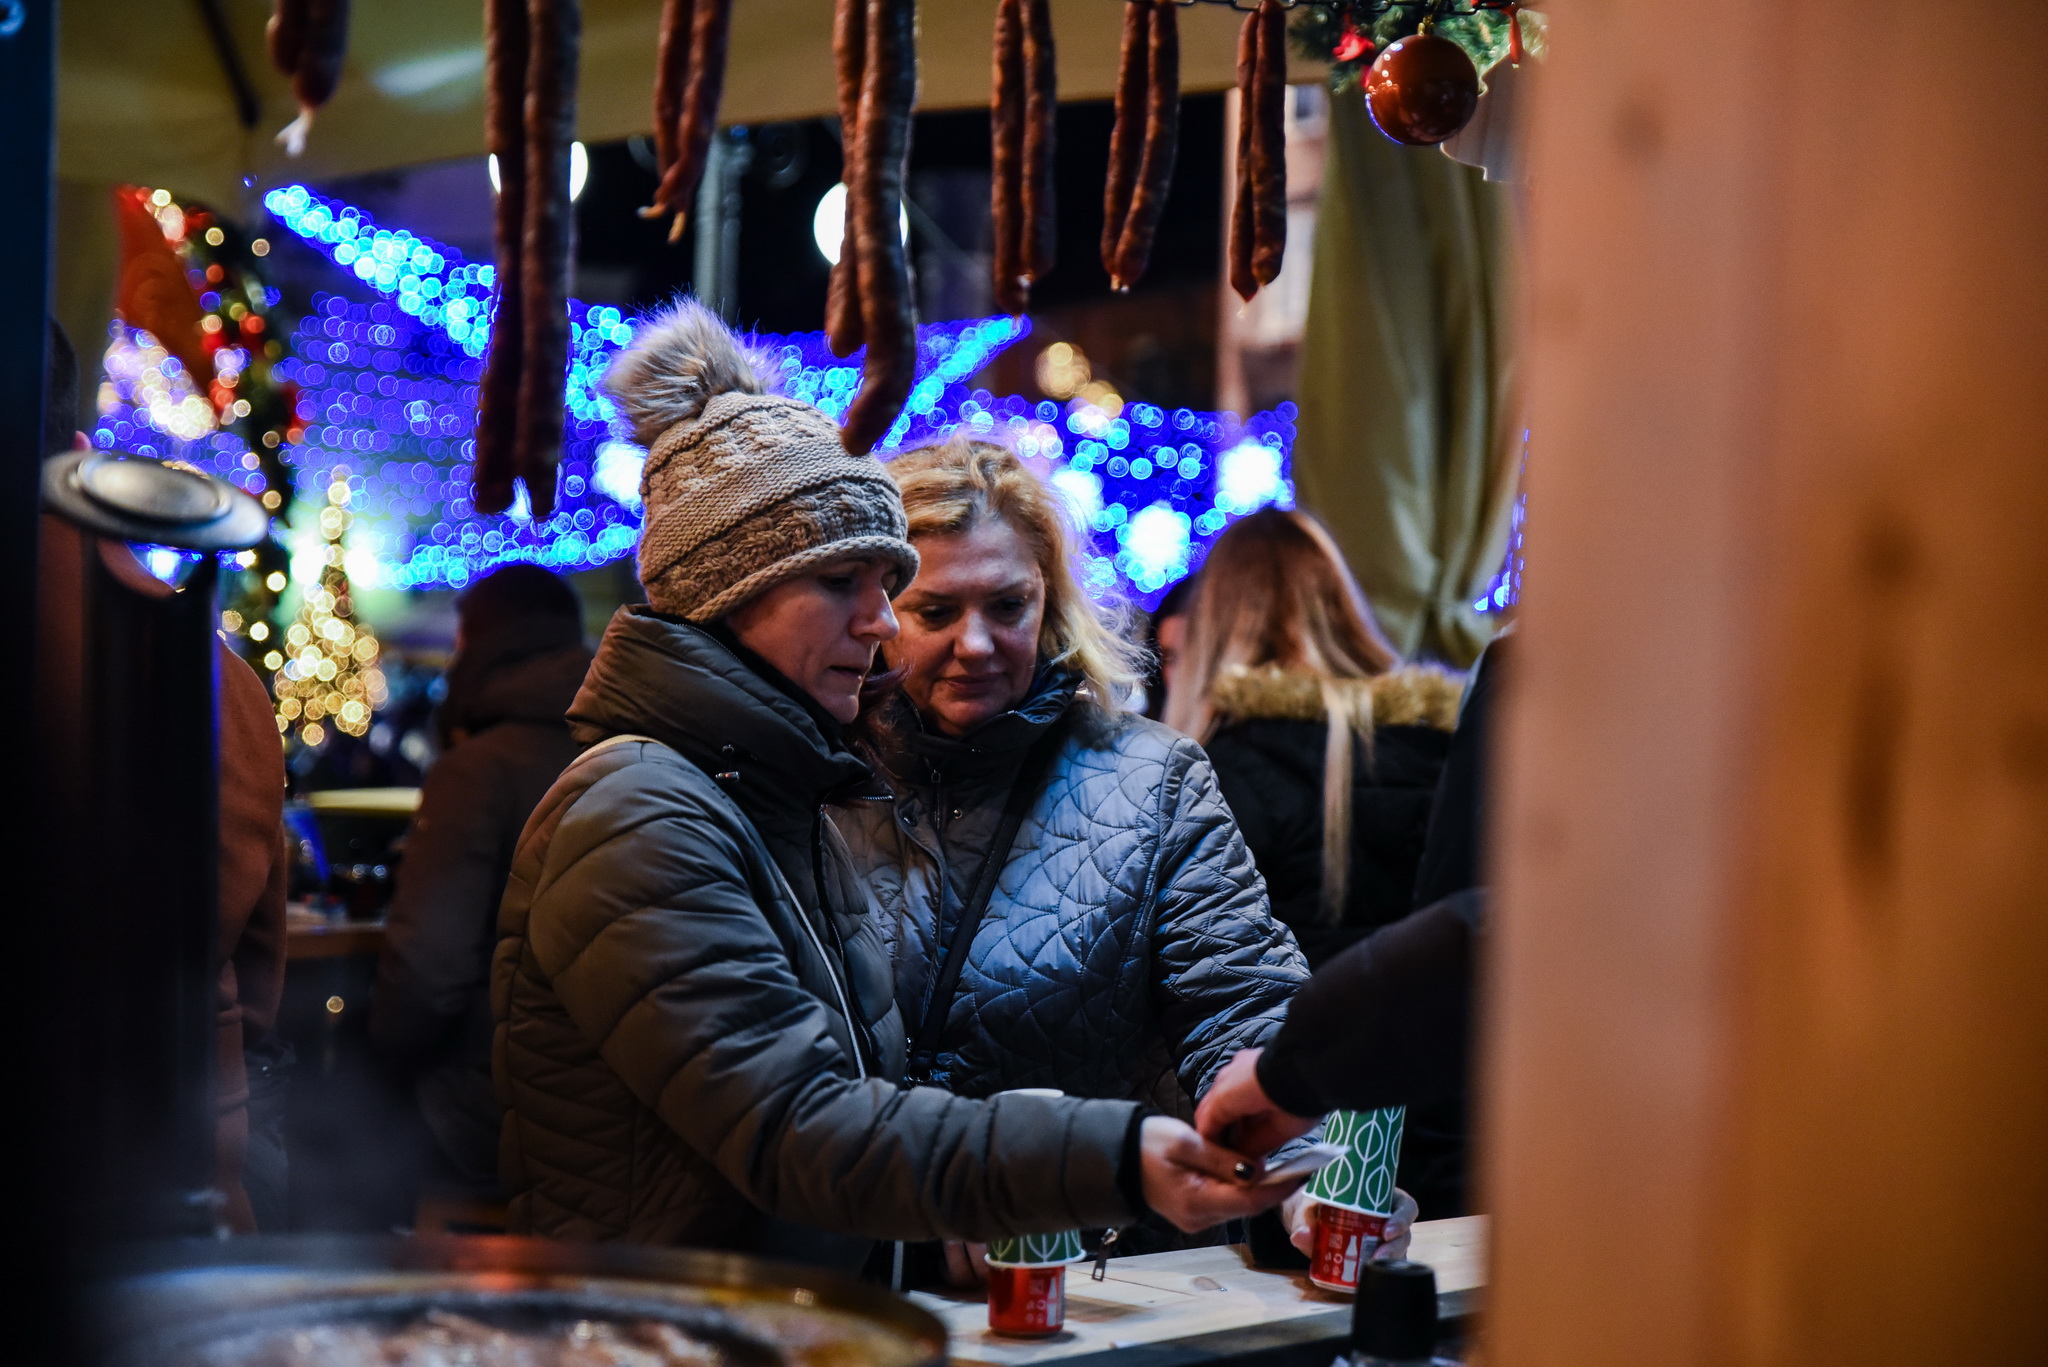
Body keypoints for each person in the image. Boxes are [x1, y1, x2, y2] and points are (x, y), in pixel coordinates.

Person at [492, 301, 1286, 1266]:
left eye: (1009, 604)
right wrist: (1103, 1155)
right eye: (854, 587)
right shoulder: (656, 807)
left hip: (893, 1298)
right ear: (728, 590)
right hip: (684, 1319)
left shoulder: (774, 779)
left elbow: (1240, 994)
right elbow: (801, 1126)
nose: (885, 627)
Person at [833, 439, 1398, 1273]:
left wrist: (1304, 1176)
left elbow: (1241, 1004)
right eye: (938, 610)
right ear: (878, 614)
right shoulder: (809, 778)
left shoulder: (1148, 780)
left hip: (1091, 1285)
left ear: (1052, 602)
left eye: (1009, 605)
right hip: (845, 1276)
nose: (978, 643)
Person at [370, 563, 593, 1195]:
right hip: (609, 1113)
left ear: (478, 644)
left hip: (493, 1109)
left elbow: (425, 973)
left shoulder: (478, 769)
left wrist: (379, 1059)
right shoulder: (632, 743)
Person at [1164, 508, 1463, 969]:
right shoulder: (1440, 746)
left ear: (1212, 625)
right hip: (1430, 1030)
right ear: (1343, 602)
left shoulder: (1210, 772)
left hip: (1283, 1035)